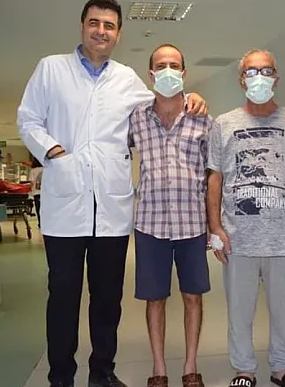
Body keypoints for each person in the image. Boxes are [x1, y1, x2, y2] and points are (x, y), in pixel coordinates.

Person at [16, 0, 208, 387]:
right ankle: (61, 377)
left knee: (107, 300)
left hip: (111, 211)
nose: (101, 31)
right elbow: (28, 118)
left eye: (109, 25)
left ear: (118, 34)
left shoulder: (127, 79)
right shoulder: (51, 69)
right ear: (82, 26)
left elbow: (162, 100)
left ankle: (102, 373)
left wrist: (192, 97)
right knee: (63, 297)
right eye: (94, 23)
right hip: (65, 208)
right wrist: (54, 152)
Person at [206, 49, 285, 387]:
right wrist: (215, 228)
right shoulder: (224, 124)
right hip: (238, 237)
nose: (259, 78)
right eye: (251, 72)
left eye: (266, 71)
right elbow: (214, 179)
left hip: (283, 236)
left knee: (283, 308)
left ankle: (282, 367)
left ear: (276, 78)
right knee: (240, 310)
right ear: (241, 80)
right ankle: (244, 370)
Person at [128, 43, 211, 387]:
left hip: (192, 222)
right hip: (150, 223)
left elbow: (214, 173)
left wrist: (216, 224)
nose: (167, 71)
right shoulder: (136, 118)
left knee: (193, 296)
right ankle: (159, 369)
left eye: (174, 65)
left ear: (184, 73)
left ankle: (190, 366)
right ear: (150, 74)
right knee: (155, 298)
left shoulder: (202, 118)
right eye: (161, 65)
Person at [28, 155, 43, 228]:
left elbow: (31, 182)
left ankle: (40, 223)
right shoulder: (45, 169)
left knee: (38, 208)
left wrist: (31, 190)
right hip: (46, 193)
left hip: (37, 192)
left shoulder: (33, 170)